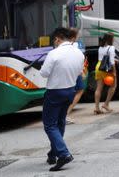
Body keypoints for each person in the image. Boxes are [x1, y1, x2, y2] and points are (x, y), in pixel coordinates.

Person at [39, 27, 84, 171]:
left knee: (50, 125)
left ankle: (63, 154)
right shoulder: (79, 53)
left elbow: (44, 73)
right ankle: (53, 153)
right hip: (70, 91)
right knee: (60, 122)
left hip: (55, 92)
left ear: (58, 39)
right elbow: (79, 72)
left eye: (54, 40)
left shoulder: (54, 53)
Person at [64, 29, 87, 125]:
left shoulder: (63, 44)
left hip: (65, 70)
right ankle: (65, 114)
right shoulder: (76, 45)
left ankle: (64, 114)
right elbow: (78, 59)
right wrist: (82, 72)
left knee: (69, 92)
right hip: (75, 71)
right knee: (80, 90)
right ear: (74, 37)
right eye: (77, 35)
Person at [94, 34, 118, 114]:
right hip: (107, 69)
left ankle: (97, 108)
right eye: (113, 38)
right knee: (113, 86)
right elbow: (111, 62)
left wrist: (114, 59)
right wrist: (114, 72)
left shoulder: (100, 47)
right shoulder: (111, 48)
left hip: (99, 67)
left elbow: (103, 58)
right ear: (110, 39)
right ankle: (106, 104)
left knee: (99, 88)